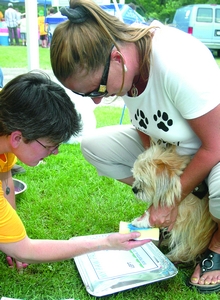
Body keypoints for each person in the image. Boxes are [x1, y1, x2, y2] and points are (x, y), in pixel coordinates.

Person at [50, 0, 220, 294]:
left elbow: (215, 145)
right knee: (94, 146)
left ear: (116, 58)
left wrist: (170, 198)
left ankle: (216, 243)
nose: (97, 101)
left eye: (97, 89)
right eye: (85, 93)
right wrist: (156, 176)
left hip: (214, 150)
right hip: (177, 151)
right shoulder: (126, 66)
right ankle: (174, 219)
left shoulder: (175, 61)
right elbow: (145, 125)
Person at [0, 71, 148, 271]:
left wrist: (9, 233)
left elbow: (5, 178)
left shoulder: (7, 124)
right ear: (17, 138)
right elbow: (26, 250)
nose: (55, 152)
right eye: (50, 145)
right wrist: (106, 243)